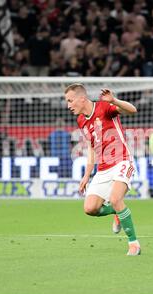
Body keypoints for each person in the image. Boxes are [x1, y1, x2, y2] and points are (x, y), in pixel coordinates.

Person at [64, 83, 140, 256]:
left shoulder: (104, 107)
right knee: (90, 208)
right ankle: (118, 212)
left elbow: (132, 110)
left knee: (115, 198)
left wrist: (114, 100)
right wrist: (86, 175)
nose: (68, 106)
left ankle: (134, 243)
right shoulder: (81, 120)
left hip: (122, 161)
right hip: (104, 168)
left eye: (70, 101)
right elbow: (91, 147)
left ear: (82, 98)